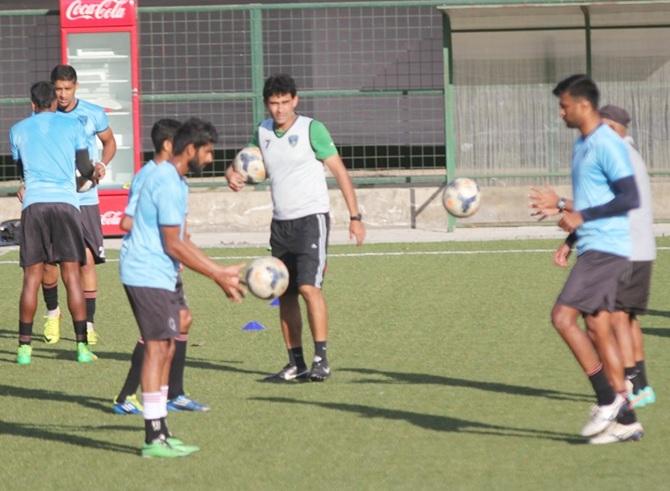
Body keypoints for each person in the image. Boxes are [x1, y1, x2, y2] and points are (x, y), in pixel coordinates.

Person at [226, 73, 366, 382]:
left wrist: (355, 217)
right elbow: (245, 161)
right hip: (281, 223)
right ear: (266, 104)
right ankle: (295, 363)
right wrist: (232, 174)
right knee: (285, 294)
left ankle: (321, 359)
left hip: (311, 219)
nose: (279, 109)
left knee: (308, 287)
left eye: (285, 102)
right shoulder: (262, 132)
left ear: (295, 100)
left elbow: (340, 172)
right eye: (274, 104)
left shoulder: (311, 129)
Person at [119, 117, 245, 458]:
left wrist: (217, 273)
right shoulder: (167, 182)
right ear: (190, 149)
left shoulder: (172, 178)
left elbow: (179, 244)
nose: (210, 159)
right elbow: (174, 243)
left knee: (167, 348)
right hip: (147, 272)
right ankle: (153, 437)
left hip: (158, 272)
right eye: (207, 152)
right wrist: (218, 274)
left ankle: (161, 430)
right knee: (158, 348)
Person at [530, 104, 656, 410]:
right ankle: (638, 387)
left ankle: (626, 390)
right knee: (621, 319)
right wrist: (571, 239)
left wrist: (561, 203)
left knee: (609, 322)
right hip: (635, 248)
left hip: (623, 248)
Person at [544, 75, 643, 444]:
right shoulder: (582, 145)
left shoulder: (605, 142)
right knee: (597, 330)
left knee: (562, 317)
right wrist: (565, 216)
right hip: (592, 246)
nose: (561, 112)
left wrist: (582, 218)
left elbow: (629, 196)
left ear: (583, 104)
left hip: (608, 249)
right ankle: (627, 419)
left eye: (564, 104)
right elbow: (589, 201)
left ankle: (607, 399)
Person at [113, 118, 209, 415]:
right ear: (169, 144)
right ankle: (126, 396)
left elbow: (178, 221)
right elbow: (126, 220)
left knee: (183, 320)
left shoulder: (176, 178)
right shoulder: (149, 176)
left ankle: (174, 394)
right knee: (154, 338)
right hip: (148, 264)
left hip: (168, 262)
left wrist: (183, 242)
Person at [10, 81, 103, 365]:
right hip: (66, 204)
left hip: (35, 205)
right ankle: (82, 347)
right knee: (71, 275)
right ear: (54, 101)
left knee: (31, 279)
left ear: (32, 104)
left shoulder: (18, 130)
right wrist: (94, 173)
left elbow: (21, 169)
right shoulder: (73, 126)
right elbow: (84, 167)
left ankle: (24, 349)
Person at [40, 64, 117, 347]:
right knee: (50, 260)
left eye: (67, 89)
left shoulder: (93, 113)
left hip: (85, 197)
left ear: (76, 87)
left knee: (85, 259)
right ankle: (52, 313)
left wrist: (100, 164)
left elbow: (109, 143)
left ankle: (89, 322)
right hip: (54, 196)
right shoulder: (43, 116)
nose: (62, 94)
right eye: (58, 89)